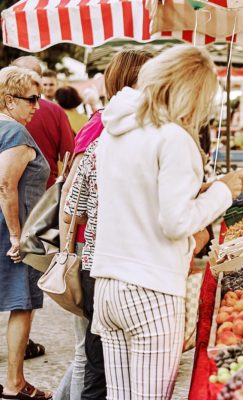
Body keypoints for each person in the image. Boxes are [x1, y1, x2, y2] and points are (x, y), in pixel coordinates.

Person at [92, 44, 243, 399]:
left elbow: (134, 193)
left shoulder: (113, 131)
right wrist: (223, 192)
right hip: (151, 287)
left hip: (109, 285)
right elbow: (176, 223)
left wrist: (198, 188)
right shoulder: (172, 137)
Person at [56, 49, 154, 400]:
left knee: (97, 355)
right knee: (91, 354)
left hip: (100, 250)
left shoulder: (117, 124)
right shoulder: (104, 124)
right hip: (93, 249)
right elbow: (71, 196)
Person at [0, 66, 52, 400]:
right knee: (22, 304)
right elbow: (6, 184)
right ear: (8, 99)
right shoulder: (15, 133)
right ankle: (14, 383)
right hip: (11, 232)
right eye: (31, 99)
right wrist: (17, 236)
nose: (37, 105)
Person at [11, 57, 74, 188]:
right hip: (45, 193)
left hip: (9, 192)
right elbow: (69, 159)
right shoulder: (56, 111)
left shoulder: (5, 111)